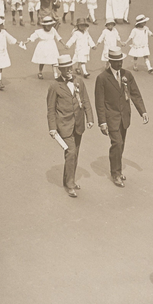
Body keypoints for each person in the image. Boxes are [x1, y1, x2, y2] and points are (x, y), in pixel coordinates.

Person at [95, 47, 148, 187]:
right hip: (111, 117)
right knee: (117, 143)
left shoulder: (127, 75)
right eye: (116, 61)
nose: (120, 63)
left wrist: (143, 112)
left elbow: (135, 94)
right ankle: (115, 173)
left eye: (121, 60)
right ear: (110, 61)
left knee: (121, 144)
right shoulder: (102, 78)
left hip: (124, 117)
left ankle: (117, 168)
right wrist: (102, 122)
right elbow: (99, 102)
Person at [47, 54, 94, 198]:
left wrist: (90, 118)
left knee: (74, 153)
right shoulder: (55, 86)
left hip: (78, 124)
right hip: (64, 125)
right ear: (60, 70)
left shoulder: (78, 81)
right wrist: (52, 128)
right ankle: (70, 184)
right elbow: (51, 109)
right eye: (66, 68)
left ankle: (67, 179)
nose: (69, 70)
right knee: (71, 152)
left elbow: (85, 100)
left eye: (70, 67)